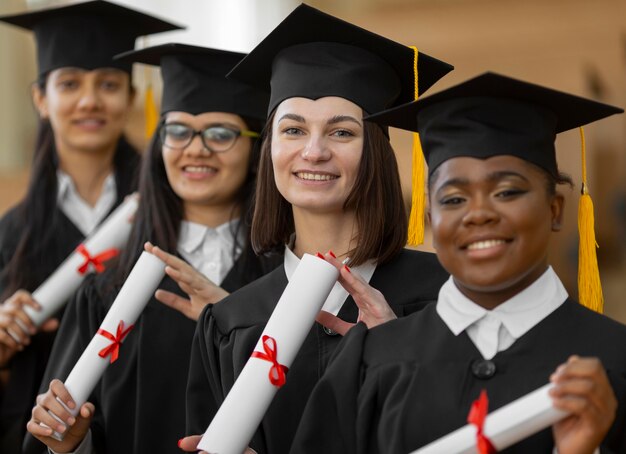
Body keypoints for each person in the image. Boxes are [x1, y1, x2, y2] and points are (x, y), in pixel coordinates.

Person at [290, 72, 626, 454]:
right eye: (453, 199)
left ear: (555, 210)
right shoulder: (371, 361)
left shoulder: (615, 359)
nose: (479, 213)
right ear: (431, 217)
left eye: (507, 191)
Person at [181, 5, 453, 454]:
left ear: (377, 152)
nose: (313, 151)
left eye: (342, 133)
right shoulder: (231, 322)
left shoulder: (445, 295)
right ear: (270, 151)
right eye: (292, 130)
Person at [24, 43, 280, 454]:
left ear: (256, 148)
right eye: (177, 131)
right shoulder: (106, 293)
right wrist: (71, 441)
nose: (195, 148)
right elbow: (56, 433)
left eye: (220, 133)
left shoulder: (286, 283)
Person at [0, 2, 179, 451]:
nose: (90, 100)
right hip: (38, 436)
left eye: (109, 84)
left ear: (131, 98)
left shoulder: (170, 213)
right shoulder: (10, 232)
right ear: (41, 99)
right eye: (70, 83)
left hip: (147, 426)